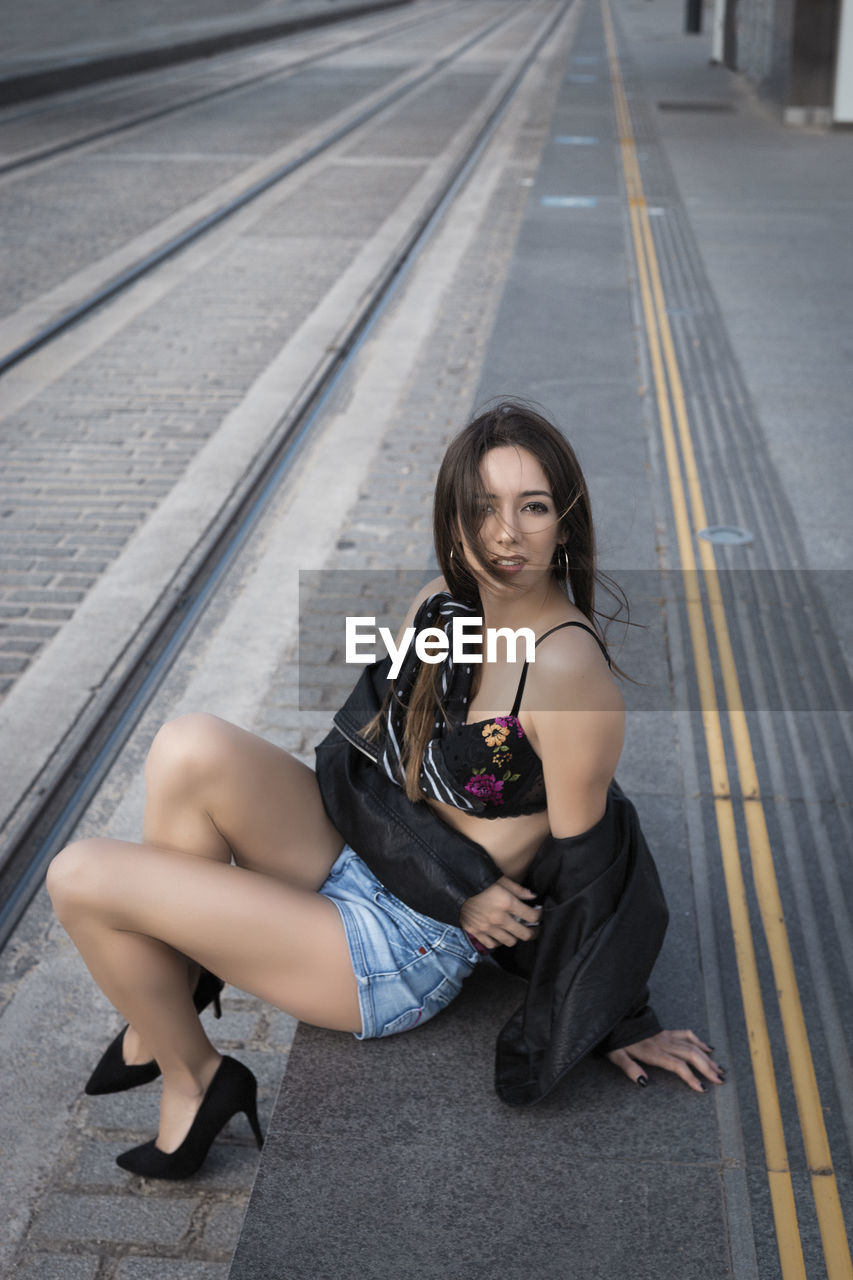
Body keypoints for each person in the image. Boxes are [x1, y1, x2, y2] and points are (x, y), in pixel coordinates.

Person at [47, 400, 724, 1182]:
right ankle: (170, 992)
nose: (504, 534)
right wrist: (441, 863)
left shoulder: (568, 675)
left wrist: (620, 1018)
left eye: (531, 507)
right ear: (454, 519)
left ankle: (194, 1074)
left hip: (403, 943)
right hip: (369, 852)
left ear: (564, 524)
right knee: (186, 745)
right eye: (482, 508)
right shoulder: (441, 606)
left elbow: (589, 865)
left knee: (79, 874)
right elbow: (357, 758)